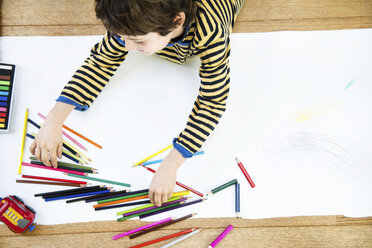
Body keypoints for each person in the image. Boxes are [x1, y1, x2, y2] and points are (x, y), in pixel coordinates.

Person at [30, 0, 245, 206]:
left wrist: (170, 166)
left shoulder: (211, 31)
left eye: (140, 41)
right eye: (122, 37)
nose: (128, 47)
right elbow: (100, 62)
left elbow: (213, 100)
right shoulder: (130, 18)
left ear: (178, 21)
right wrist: (53, 120)